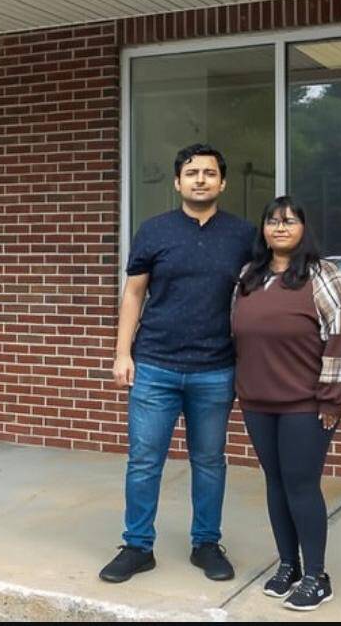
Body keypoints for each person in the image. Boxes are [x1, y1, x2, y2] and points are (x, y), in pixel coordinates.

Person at [99, 144, 255, 585]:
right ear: (177, 182)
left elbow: (257, 296)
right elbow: (134, 294)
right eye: (191, 173)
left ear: (222, 182)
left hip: (215, 368)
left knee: (209, 461)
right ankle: (137, 546)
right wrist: (122, 353)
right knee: (144, 461)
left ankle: (206, 543)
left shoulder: (244, 235)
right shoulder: (154, 231)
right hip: (155, 365)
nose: (200, 179)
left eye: (209, 173)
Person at [231, 196, 341, 611]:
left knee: (301, 485)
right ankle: (289, 565)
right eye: (272, 221)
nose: (280, 228)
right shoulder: (249, 276)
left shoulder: (325, 276)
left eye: (289, 221)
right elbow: (237, 335)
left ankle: (317, 576)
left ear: (304, 228)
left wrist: (333, 398)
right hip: (257, 401)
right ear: (263, 230)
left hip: (306, 403)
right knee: (275, 483)